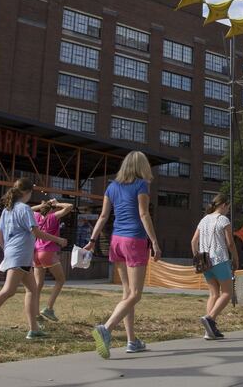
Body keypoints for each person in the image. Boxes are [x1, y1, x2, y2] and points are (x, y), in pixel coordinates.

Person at [0, 178, 67, 341]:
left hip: (18, 255)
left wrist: (7, 250)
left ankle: (34, 329)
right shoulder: (24, 209)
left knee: (32, 290)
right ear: (27, 192)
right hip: (20, 255)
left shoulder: (8, 210)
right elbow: (36, 233)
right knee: (8, 291)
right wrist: (58, 240)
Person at [86, 151, 161, 359]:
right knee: (135, 294)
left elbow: (103, 216)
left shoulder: (111, 187)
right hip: (134, 240)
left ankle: (132, 341)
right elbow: (144, 214)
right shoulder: (141, 185)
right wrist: (154, 242)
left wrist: (92, 240)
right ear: (141, 166)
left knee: (127, 294)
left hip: (116, 241)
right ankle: (106, 329)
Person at [191, 193, 238, 340]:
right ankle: (210, 318)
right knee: (227, 293)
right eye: (228, 207)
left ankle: (209, 330)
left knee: (213, 294)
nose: (228, 210)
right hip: (219, 259)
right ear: (223, 205)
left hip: (205, 261)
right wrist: (236, 258)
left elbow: (193, 241)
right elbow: (230, 243)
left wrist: (197, 258)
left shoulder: (204, 220)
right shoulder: (223, 219)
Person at [31, 198, 74, 322]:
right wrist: (57, 203)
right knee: (60, 280)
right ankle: (49, 308)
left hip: (36, 252)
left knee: (38, 285)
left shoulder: (36, 216)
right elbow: (70, 206)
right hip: (48, 252)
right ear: (52, 209)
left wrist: (41, 205)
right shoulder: (53, 216)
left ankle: (36, 314)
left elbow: (28, 209)